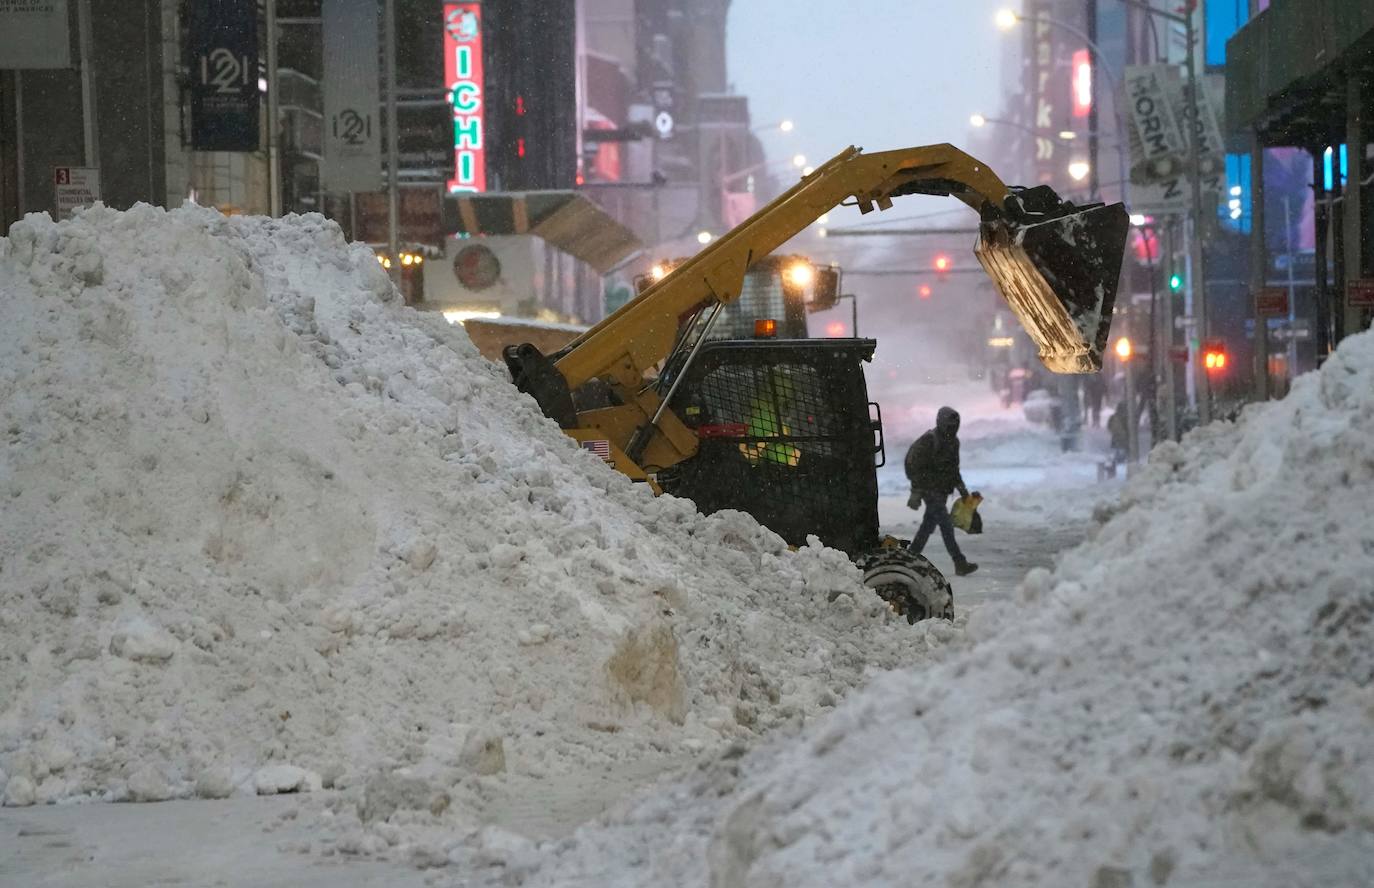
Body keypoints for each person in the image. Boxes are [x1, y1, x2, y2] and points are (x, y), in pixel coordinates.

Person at [904, 406, 978, 576]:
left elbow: (953, 469)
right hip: (930, 491)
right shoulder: (929, 440)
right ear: (941, 423)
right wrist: (917, 489)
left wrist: (963, 491)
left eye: (954, 427)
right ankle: (959, 562)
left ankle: (910, 558)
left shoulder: (953, 442)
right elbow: (915, 466)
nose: (952, 430)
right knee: (946, 526)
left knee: (927, 527)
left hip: (942, 491)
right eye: (949, 426)